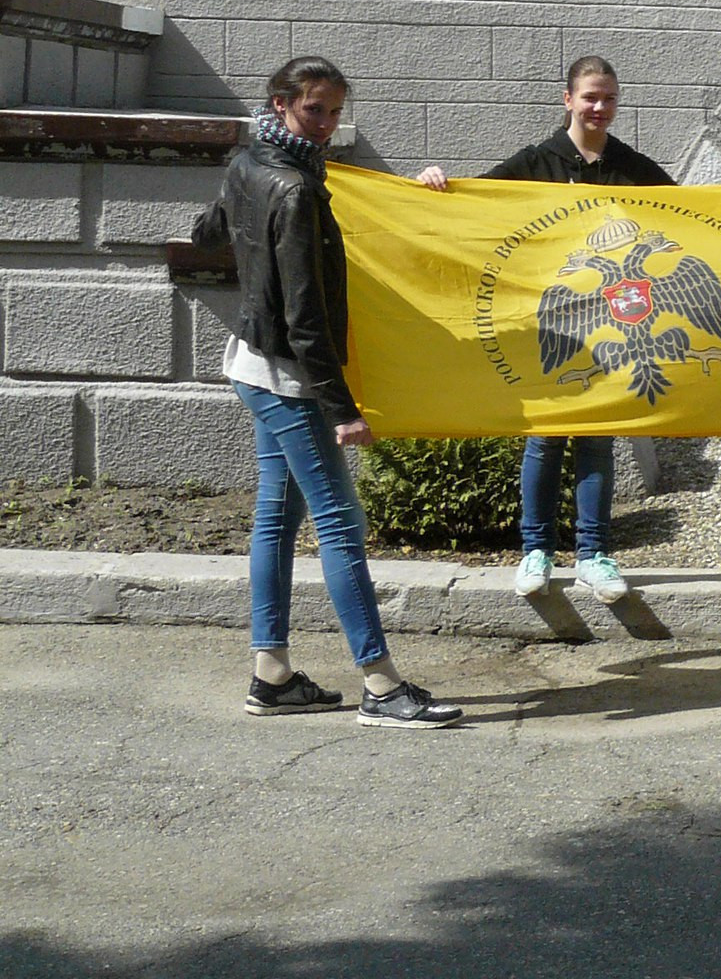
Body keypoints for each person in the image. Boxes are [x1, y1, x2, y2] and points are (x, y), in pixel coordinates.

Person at [198, 57, 459, 728]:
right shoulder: (295, 189)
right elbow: (306, 316)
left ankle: (272, 675)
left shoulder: (251, 162)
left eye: (336, 111)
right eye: (315, 110)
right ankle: (380, 684)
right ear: (281, 104)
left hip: (254, 364)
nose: (326, 124)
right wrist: (341, 409)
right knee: (341, 524)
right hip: (290, 379)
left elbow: (210, 232)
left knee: (278, 519)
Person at [417, 54, 673, 605]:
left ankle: (593, 555)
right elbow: (475, 206)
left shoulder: (631, 167)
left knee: (597, 438)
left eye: (608, 98)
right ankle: (535, 550)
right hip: (549, 322)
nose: (599, 107)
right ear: (567, 100)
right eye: (589, 97)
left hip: (609, 325)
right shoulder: (537, 161)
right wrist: (435, 186)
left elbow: (692, 211)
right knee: (545, 436)